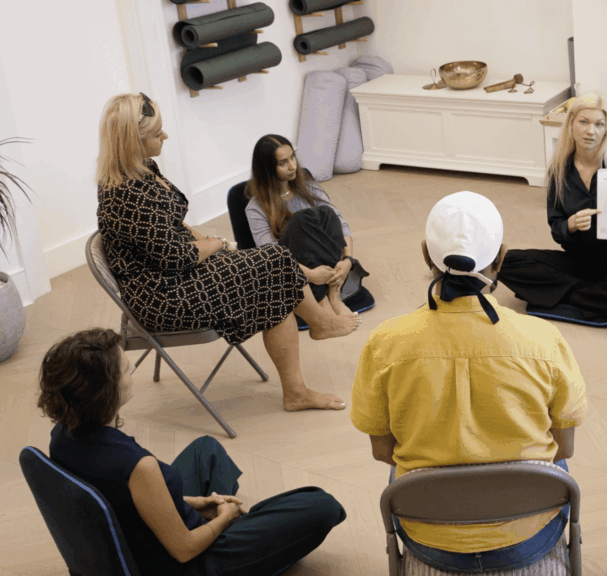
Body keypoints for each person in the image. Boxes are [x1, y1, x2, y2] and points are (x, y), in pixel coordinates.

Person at [349, 192, 587, 572]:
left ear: (427, 254)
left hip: (430, 539)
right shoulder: (543, 339)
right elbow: (563, 447)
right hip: (526, 539)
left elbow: (383, 451)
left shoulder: (385, 342)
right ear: (502, 257)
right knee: (559, 471)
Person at [96, 93, 358, 411]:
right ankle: (316, 336)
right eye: (156, 133)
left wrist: (206, 239)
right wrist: (219, 244)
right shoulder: (127, 194)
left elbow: (174, 223)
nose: (164, 136)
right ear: (131, 142)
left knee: (274, 275)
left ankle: (299, 380)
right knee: (275, 264)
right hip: (165, 296)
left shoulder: (143, 169)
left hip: (178, 274)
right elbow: (177, 256)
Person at [39, 328, 347, 576]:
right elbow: (184, 549)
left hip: (141, 535)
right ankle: (246, 541)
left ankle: (240, 528)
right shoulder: (137, 466)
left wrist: (196, 502)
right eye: (126, 370)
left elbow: (122, 500)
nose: (131, 374)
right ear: (106, 390)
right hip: (187, 564)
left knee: (206, 450)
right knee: (321, 505)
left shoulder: (62, 436)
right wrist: (223, 518)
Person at [499, 92, 607, 322]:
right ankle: (592, 295)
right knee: (506, 261)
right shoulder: (559, 169)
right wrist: (570, 225)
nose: (591, 131)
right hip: (579, 261)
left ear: (606, 129)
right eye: (583, 122)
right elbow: (556, 226)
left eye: (599, 124)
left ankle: (560, 293)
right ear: (571, 125)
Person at [245, 134, 369, 310]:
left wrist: (348, 259)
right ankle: (324, 300)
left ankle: (333, 293)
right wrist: (310, 274)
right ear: (267, 169)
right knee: (303, 219)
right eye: (283, 163)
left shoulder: (308, 187)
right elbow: (271, 254)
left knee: (327, 212)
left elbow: (340, 223)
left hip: (328, 266)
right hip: (293, 272)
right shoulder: (255, 208)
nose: (293, 166)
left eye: (292, 157)